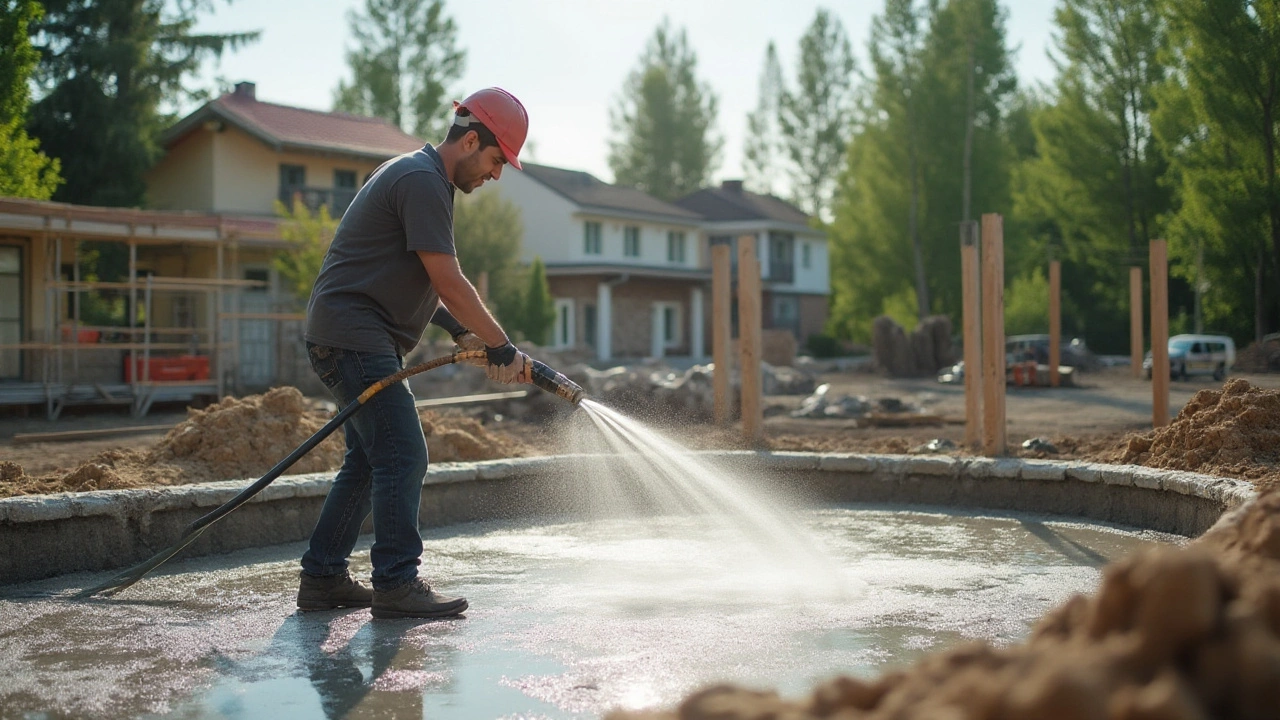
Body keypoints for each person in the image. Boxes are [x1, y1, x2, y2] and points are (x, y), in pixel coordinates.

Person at [296, 87, 532, 619]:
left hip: (345, 333)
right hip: (355, 337)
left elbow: (419, 279)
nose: (496, 175)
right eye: (496, 161)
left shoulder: (419, 174)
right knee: (404, 453)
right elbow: (448, 279)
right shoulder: (424, 181)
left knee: (367, 459)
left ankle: (324, 578)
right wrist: (499, 346)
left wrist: (457, 331)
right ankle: (396, 584)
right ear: (471, 140)